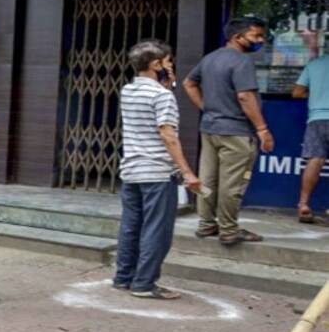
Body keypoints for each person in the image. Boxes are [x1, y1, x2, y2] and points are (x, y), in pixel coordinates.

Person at [114, 40, 202, 300]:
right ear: (156, 64)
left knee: (131, 227)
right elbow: (168, 135)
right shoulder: (163, 97)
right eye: (167, 62)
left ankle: (124, 277)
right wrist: (186, 171)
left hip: (131, 170)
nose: (171, 66)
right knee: (157, 231)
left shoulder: (128, 90)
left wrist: (167, 86)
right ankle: (144, 284)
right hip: (157, 173)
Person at [183, 17, 273, 246]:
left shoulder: (210, 58)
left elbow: (188, 83)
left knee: (208, 180)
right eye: (256, 36)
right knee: (232, 184)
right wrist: (263, 129)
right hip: (237, 132)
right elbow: (245, 96)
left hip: (210, 129)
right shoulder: (242, 61)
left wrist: (207, 108)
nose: (260, 40)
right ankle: (229, 230)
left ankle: (206, 224)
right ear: (237, 37)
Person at [292, 53, 329, 223]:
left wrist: (315, 96)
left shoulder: (314, 64)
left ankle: (304, 204)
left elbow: (297, 92)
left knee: (315, 160)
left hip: (316, 119)